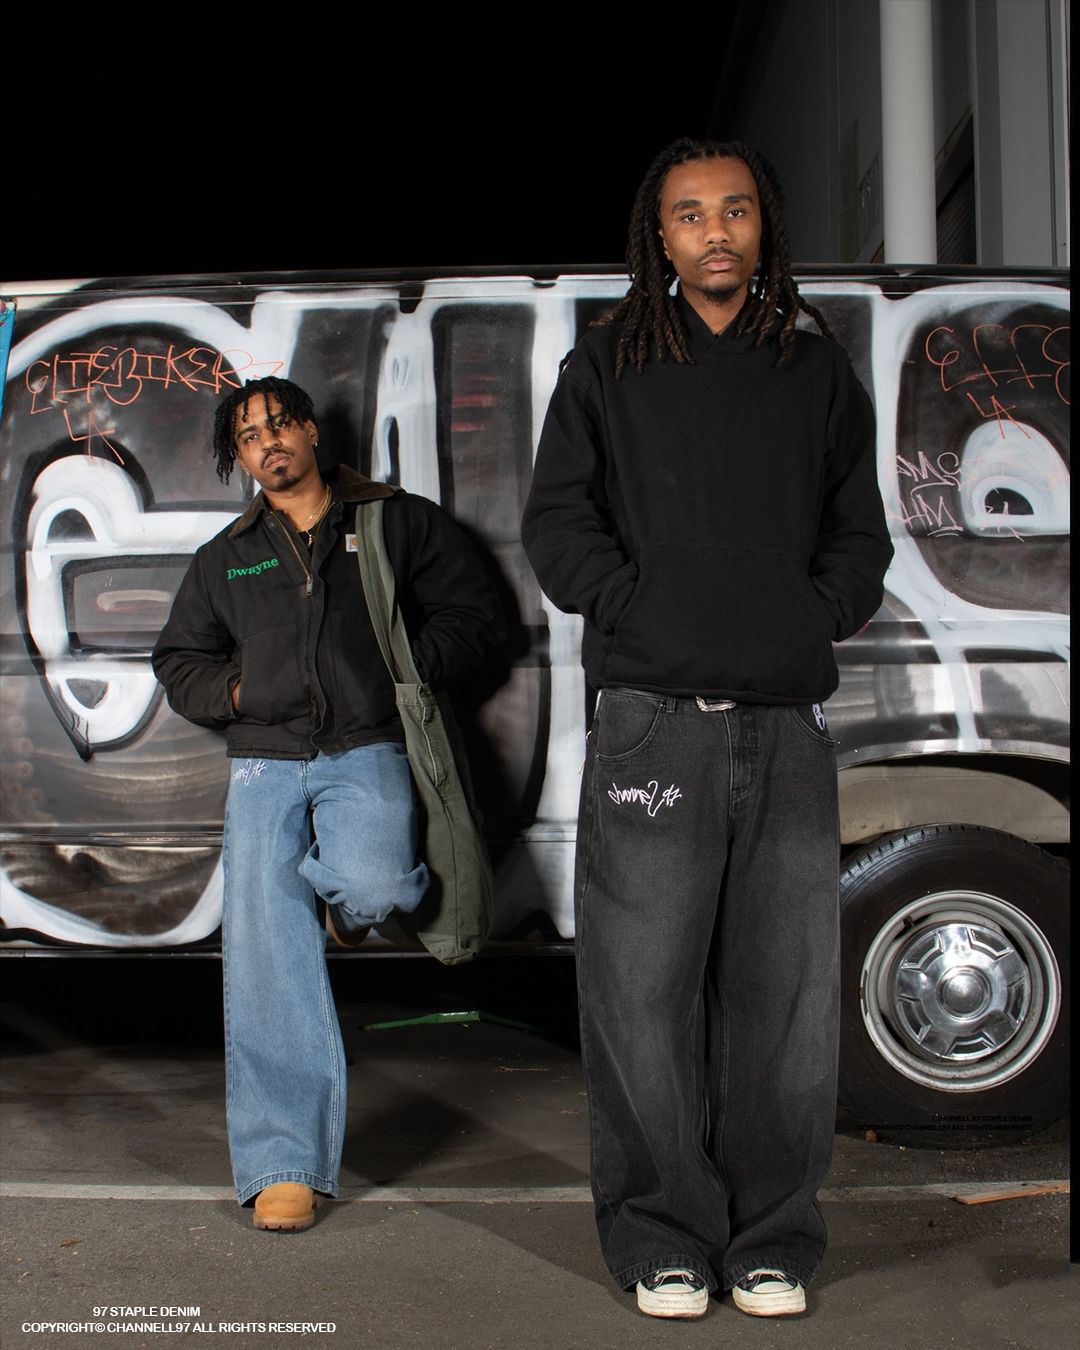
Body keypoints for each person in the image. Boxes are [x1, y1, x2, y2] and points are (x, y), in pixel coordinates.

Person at [521, 139, 892, 1319]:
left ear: (763, 225)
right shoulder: (607, 366)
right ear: (661, 236)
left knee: (783, 1002)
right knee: (641, 994)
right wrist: (637, 608)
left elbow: (860, 536)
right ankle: (664, 1237)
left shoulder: (815, 373)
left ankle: (773, 1240)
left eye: (735, 210)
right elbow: (557, 524)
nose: (715, 230)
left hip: (785, 725)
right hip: (651, 724)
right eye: (690, 214)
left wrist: (807, 614)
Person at [153, 376, 502, 1231]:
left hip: (366, 744)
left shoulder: (393, 521)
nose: (267, 442)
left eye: (279, 425)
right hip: (265, 761)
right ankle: (284, 1163)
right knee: (266, 954)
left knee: (376, 884)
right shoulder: (229, 555)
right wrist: (238, 694)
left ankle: (345, 910)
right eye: (249, 436)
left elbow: (473, 614)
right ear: (240, 458)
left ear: (309, 431)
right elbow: (178, 661)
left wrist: (402, 666)